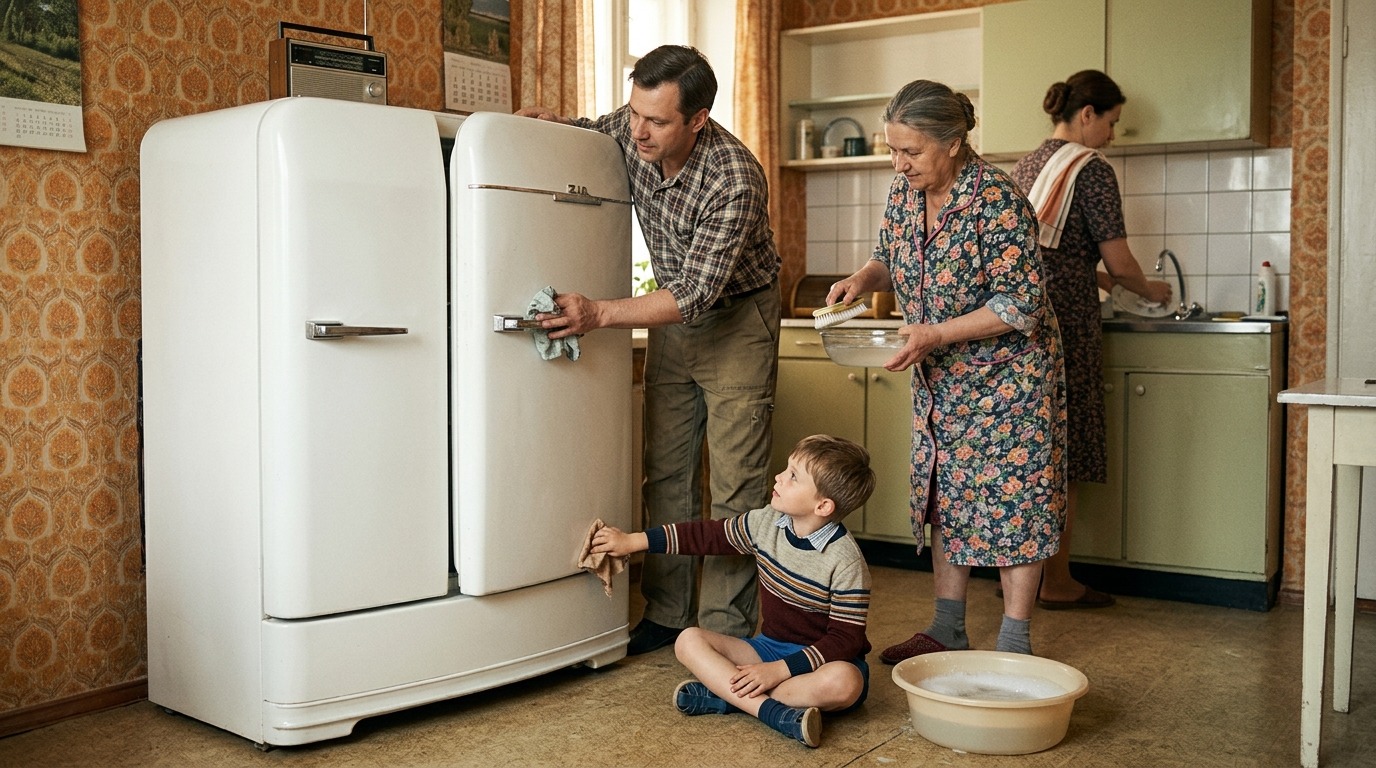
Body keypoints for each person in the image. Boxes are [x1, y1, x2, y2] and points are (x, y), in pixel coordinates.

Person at [516, 45, 781, 655]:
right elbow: (591, 134)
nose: (638, 130)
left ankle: (725, 629)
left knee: (736, 487)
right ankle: (665, 613)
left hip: (737, 317)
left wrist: (600, 312)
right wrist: (546, 131)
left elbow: (695, 292)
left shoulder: (734, 178)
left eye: (657, 121)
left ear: (698, 119)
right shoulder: (633, 129)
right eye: (634, 112)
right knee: (665, 472)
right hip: (673, 318)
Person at [825, 80, 1067, 663]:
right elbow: (890, 254)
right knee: (946, 497)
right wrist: (862, 279)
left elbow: (1020, 304)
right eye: (892, 149)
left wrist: (935, 332)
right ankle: (946, 628)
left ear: (955, 143)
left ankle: (1014, 641)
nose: (897, 162)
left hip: (1010, 379)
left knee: (1017, 504)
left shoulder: (998, 201)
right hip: (942, 377)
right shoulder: (904, 193)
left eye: (911, 151)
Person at [590, 434, 876, 748]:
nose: (779, 477)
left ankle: (727, 698)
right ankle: (773, 712)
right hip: (768, 648)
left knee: (845, 683)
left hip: (819, 664)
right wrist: (633, 541)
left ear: (822, 505)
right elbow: (706, 535)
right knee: (688, 639)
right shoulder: (766, 523)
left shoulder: (847, 562)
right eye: (786, 469)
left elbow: (845, 640)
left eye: (793, 476)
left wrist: (778, 671)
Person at [1010, 70, 1171, 609]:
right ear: (1086, 115)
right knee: (1066, 449)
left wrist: (1097, 273)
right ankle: (1056, 583)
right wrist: (1148, 288)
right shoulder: (1092, 169)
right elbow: (1121, 260)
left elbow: (1049, 251)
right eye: (1112, 122)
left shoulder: (1027, 164)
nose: (1112, 135)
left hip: (1019, 318)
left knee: (1031, 452)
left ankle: (1022, 583)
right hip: (1067, 323)